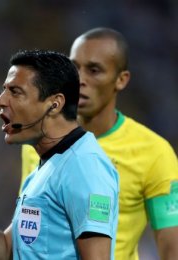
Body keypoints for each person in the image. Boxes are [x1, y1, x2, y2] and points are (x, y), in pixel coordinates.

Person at [0, 49, 119, 259]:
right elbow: (5, 250)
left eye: (15, 91)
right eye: (4, 90)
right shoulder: (44, 169)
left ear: (54, 104)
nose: (0, 100)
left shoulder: (85, 166)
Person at [21, 28, 178, 260]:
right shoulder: (37, 143)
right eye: (74, 68)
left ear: (121, 80)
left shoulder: (154, 152)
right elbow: (28, 229)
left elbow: (171, 250)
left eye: (94, 70)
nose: (79, 80)